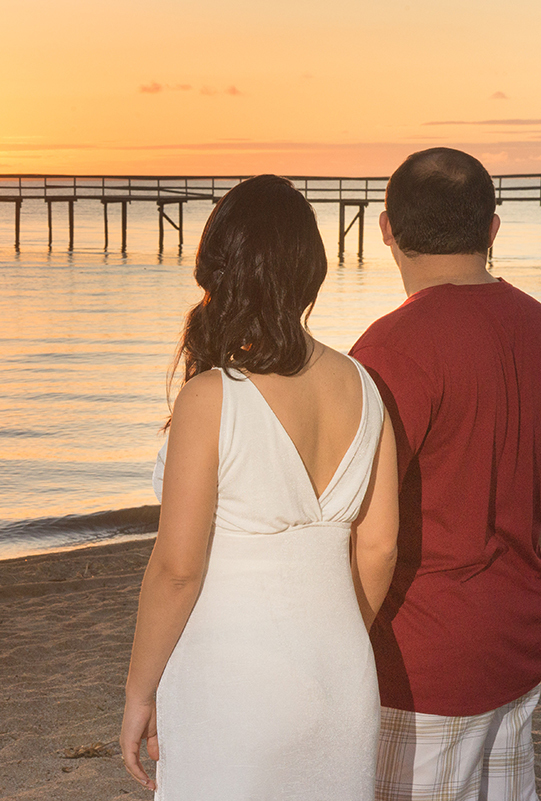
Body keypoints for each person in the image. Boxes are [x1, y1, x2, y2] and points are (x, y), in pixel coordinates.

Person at [120, 174, 400, 799]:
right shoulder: (363, 385)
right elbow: (380, 548)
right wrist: (331, 636)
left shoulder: (212, 397)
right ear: (312, 270)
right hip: (341, 672)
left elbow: (177, 569)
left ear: (219, 265)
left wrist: (140, 691)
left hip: (233, 677)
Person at [350, 147, 541, 801]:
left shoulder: (391, 350)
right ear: (493, 229)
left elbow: (371, 528)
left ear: (387, 228)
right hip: (516, 639)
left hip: (419, 660)